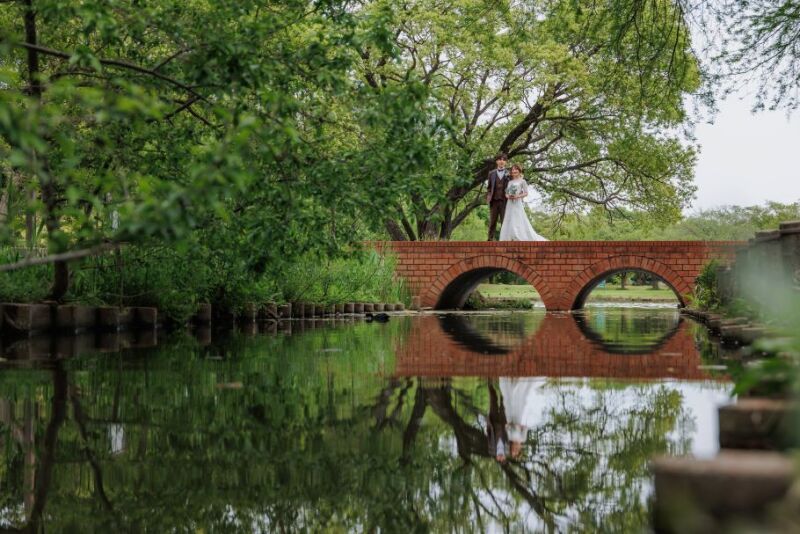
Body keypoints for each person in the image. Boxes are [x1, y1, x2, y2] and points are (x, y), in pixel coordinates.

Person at [499, 164, 548, 242]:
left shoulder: (522, 181)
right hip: (510, 203)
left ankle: (517, 236)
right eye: (513, 169)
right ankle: (509, 237)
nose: (514, 171)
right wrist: (509, 196)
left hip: (517, 202)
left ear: (519, 171)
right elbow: (506, 193)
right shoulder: (510, 182)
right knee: (509, 217)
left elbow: (526, 193)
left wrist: (517, 196)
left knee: (518, 217)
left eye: (516, 169)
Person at [486, 153, 509, 241]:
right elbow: (489, 188)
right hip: (494, 201)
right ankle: (490, 239)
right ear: (497, 161)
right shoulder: (491, 173)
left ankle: (504, 239)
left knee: (504, 221)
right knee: (492, 221)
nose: (501, 161)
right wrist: (489, 197)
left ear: (505, 162)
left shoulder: (509, 173)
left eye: (503, 160)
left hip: (505, 201)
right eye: (500, 159)